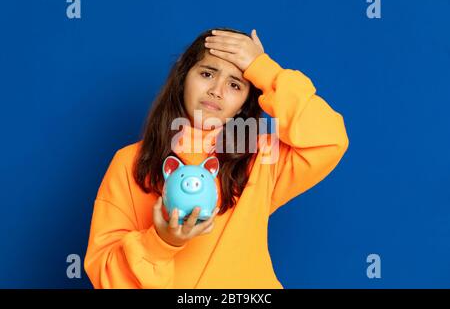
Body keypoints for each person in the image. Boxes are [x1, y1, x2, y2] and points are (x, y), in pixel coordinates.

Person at [84, 27, 349, 288]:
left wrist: (264, 70)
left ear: (246, 102)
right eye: (207, 73)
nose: (217, 90)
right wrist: (162, 242)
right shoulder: (130, 162)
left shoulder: (261, 158)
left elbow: (329, 138)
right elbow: (105, 274)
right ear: (183, 77)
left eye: (235, 85)